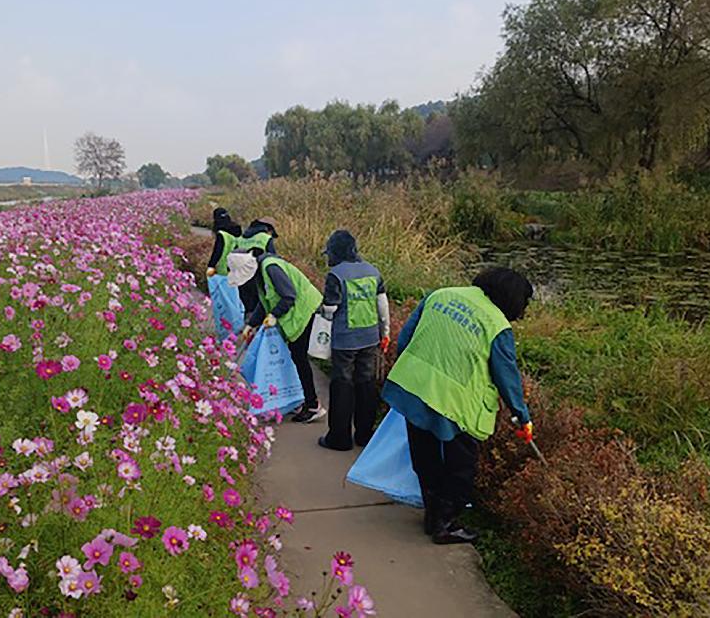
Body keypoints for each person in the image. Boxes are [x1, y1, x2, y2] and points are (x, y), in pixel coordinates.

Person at [382, 267, 534, 545]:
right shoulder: (496, 323)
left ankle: (433, 516)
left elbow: (405, 338)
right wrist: (521, 414)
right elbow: (506, 375)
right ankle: (445, 523)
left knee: (424, 456)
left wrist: (409, 371)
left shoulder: (440, 295)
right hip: (455, 402)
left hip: (414, 387)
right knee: (462, 466)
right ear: (512, 300)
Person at [228, 249, 326, 424]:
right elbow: (265, 302)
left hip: (305, 313)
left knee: (299, 358)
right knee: (294, 357)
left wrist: (274, 315)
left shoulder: (271, 268)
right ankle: (300, 399)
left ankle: (312, 405)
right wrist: (251, 324)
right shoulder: (261, 272)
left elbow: (289, 296)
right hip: (296, 315)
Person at [317, 230, 391, 451]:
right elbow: (382, 306)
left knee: (342, 384)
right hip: (369, 338)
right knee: (366, 383)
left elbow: (330, 308)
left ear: (335, 251)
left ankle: (339, 438)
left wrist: (321, 311)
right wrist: (384, 332)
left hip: (345, 340)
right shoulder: (373, 271)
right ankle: (365, 436)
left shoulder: (336, 274)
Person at [233, 218, 279, 316]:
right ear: (269, 229)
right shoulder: (265, 238)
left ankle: (245, 324)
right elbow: (273, 259)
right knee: (258, 305)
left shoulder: (241, 238)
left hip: (241, 276)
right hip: (258, 276)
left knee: (245, 305)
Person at [205, 208, 242, 278]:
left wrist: (211, 266)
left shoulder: (222, 234)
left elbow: (217, 252)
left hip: (223, 270)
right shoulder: (238, 231)